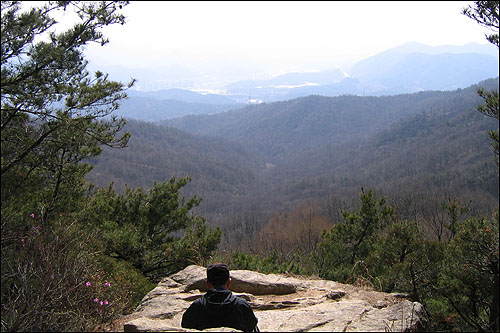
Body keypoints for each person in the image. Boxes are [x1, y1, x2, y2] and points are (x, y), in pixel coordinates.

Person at [181, 263, 259, 332]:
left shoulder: (198, 306)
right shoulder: (241, 305)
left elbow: (185, 326)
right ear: (229, 283)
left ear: (208, 284)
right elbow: (252, 326)